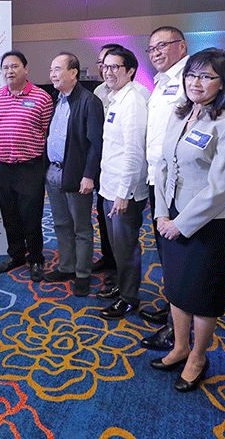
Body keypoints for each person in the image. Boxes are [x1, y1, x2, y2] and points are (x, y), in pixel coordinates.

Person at [149, 48, 225, 393]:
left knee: (202, 294)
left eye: (206, 76)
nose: (196, 82)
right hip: (171, 215)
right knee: (176, 286)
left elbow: (221, 187)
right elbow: (161, 167)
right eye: (192, 74)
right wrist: (162, 212)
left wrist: (180, 223)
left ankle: (198, 357)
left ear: (223, 84)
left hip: (205, 223)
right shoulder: (179, 115)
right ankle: (179, 346)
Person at [0, 51, 53, 282]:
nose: (9, 71)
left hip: (30, 167)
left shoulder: (42, 98)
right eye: (5, 67)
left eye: (14, 66)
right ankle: (16, 254)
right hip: (4, 168)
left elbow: (47, 133)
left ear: (26, 68)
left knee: (32, 216)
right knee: (9, 214)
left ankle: (36, 258)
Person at [140, 25, 189, 349]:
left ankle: (178, 327)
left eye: (163, 45)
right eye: (152, 48)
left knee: (179, 258)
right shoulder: (160, 83)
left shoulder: (189, 80)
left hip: (180, 185)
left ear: (181, 47)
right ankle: (174, 310)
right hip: (158, 180)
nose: (156, 52)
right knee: (166, 256)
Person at [41, 52, 103, 297]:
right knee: (61, 224)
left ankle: (82, 273)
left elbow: (96, 143)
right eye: (51, 69)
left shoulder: (88, 101)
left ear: (74, 73)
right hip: (54, 173)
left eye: (57, 69)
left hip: (77, 176)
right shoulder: (57, 99)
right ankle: (66, 267)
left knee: (81, 228)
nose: (52, 74)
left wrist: (89, 175)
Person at [96, 46, 148, 320]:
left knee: (126, 247)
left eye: (116, 67)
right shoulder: (115, 98)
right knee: (117, 246)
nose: (109, 71)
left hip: (123, 191)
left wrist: (124, 192)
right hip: (110, 186)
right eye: (105, 66)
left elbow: (133, 151)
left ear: (130, 71)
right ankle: (123, 287)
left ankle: (129, 298)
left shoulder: (133, 101)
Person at [91, 44, 123, 276]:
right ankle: (108, 257)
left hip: (121, 166)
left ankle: (121, 273)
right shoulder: (98, 92)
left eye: (110, 64)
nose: (104, 68)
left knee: (122, 225)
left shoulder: (138, 94)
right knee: (102, 215)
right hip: (101, 164)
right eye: (101, 64)